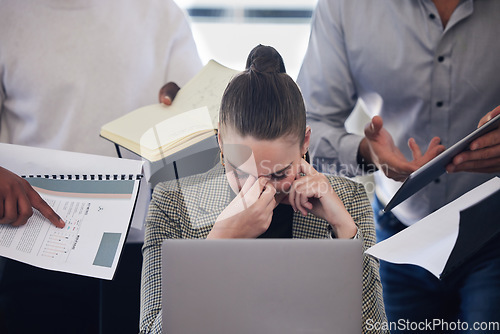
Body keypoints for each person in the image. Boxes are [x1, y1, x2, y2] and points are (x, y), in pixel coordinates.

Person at [139, 45, 388, 334]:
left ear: (305, 143)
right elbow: (152, 330)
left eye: (278, 173)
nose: (259, 189)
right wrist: (219, 241)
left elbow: (374, 330)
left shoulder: (348, 200)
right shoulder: (172, 203)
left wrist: (343, 228)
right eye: (241, 172)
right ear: (221, 142)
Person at [297, 0, 500, 332]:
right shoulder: (346, 7)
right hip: (396, 238)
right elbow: (306, 127)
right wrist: (367, 153)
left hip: (493, 234)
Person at [0, 1, 202, 333]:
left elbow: (198, 116)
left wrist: (188, 111)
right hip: (33, 251)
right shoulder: (7, 16)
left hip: (140, 253)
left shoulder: (160, 12)